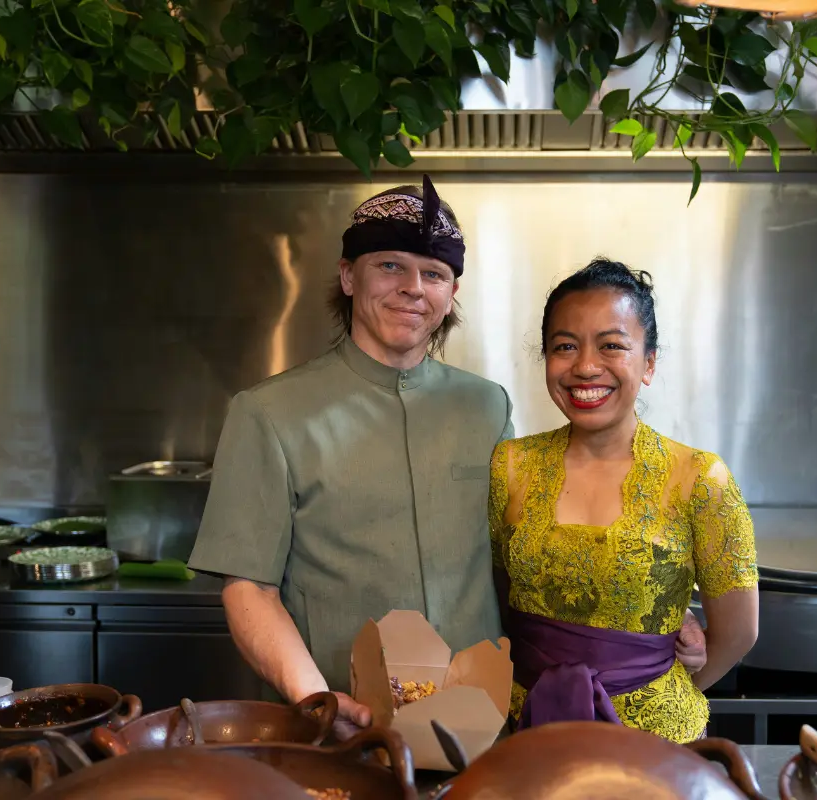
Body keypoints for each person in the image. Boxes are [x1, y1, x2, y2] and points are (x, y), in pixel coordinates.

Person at [188, 177, 708, 739]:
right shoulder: (269, 413)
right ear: (347, 275)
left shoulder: (484, 405)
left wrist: (647, 610)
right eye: (390, 266)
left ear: (450, 293)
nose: (414, 288)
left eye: (434, 274)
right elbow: (249, 590)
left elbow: (529, 549)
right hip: (340, 728)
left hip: (482, 723)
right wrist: (316, 701)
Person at [489, 258, 759, 743]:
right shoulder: (510, 466)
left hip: (656, 746)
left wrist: (660, 683)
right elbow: (494, 597)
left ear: (649, 363)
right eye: (565, 347)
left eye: (612, 345)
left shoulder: (700, 478)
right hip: (524, 734)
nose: (585, 366)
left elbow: (738, 632)